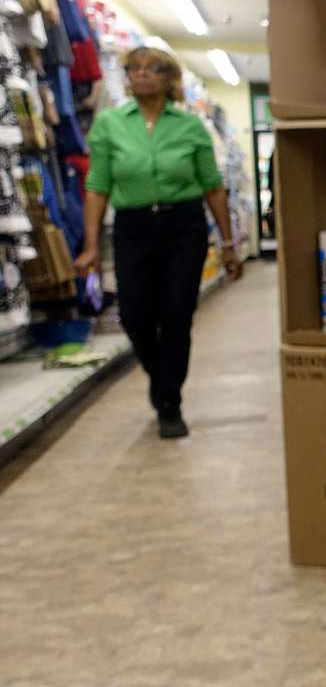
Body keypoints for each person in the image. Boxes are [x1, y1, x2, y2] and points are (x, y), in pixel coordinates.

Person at [74, 47, 243, 438]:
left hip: (183, 226)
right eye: (134, 68)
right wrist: (91, 246)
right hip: (133, 228)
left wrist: (228, 244)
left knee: (177, 314)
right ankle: (161, 379)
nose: (141, 74)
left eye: (152, 68)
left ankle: (170, 404)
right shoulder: (110, 125)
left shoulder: (190, 127)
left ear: (170, 79)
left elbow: (213, 188)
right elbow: (97, 186)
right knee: (134, 316)